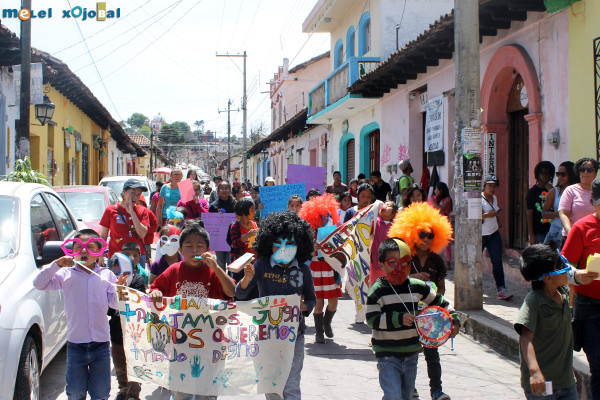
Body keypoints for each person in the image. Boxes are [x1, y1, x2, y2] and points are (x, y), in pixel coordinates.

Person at [33, 229, 127, 400]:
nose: (84, 251)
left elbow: (114, 305)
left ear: (99, 251)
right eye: (78, 247)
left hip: (101, 344)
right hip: (76, 344)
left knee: (101, 392)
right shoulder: (65, 274)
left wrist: (119, 291)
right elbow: (39, 284)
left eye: (89, 246)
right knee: (75, 392)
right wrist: (56, 264)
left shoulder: (107, 275)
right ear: (72, 251)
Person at [236, 211, 317, 400]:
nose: (284, 248)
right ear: (268, 243)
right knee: (272, 385)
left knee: (291, 385)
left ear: (299, 244)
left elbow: (312, 299)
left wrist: (303, 306)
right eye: (278, 243)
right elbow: (240, 294)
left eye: (290, 244)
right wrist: (246, 279)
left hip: (294, 336)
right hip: (266, 336)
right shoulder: (261, 265)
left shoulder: (304, 270)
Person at [149, 223, 235, 400]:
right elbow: (155, 289)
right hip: (180, 343)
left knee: (207, 391)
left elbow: (231, 292)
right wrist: (155, 292)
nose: (194, 249)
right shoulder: (174, 270)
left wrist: (217, 268)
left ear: (208, 249)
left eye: (199, 246)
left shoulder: (213, 272)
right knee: (182, 391)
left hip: (210, 342)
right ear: (180, 249)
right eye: (189, 246)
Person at [367, 238, 460, 400]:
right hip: (387, 355)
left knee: (406, 396)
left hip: (411, 354)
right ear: (382, 265)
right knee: (394, 396)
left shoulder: (417, 286)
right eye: (393, 262)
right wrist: (398, 319)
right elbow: (371, 319)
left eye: (405, 263)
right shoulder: (377, 290)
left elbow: (440, 302)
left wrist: (453, 318)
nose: (400, 268)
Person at [388, 202, 454, 400]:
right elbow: (393, 281)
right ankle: (411, 387)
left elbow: (441, 286)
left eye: (430, 235)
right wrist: (414, 277)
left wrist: (439, 304)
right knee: (409, 354)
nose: (426, 239)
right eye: (422, 234)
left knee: (432, 355)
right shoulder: (404, 258)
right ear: (412, 234)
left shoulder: (437, 261)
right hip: (408, 312)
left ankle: (437, 390)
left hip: (431, 314)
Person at [516, 244, 597, 400]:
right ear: (548, 278)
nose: (567, 268)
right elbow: (525, 338)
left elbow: (573, 278)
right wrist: (535, 372)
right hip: (541, 384)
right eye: (561, 265)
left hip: (566, 382)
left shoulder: (564, 292)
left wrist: (582, 275)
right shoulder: (534, 302)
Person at [562, 177, 600, 398]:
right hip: (589, 309)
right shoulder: (582, 227)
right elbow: (562, 269)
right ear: (593, 202)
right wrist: (578, 276)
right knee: (598, 368)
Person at [299, 194, 341, 343]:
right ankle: (319, 331)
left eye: (327, 215)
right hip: (316, 268)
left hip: (331, 267)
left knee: (333, 303)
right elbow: (303, 254)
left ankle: (327, 323)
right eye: (322, 216)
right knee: (319, 302)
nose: (325, 218)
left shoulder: (334, 231)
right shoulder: (308, 233)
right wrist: (312, 248)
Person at [107, 253, 146, 400]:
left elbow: (138, 302)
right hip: (117, 330)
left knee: (134, 362)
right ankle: (123, 387)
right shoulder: (108, 283)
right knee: (119, 363)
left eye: (125, 273)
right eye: (116, 273)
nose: (120, 277)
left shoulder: (138, 281)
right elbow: (109, 309)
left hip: (135, 331)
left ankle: (133, 393)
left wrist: (122, 291)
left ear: (133, 271)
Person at [99, 178, 150, 266]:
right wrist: (100, 255)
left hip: (136, 258)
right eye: (132, 193)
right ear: (123, 192)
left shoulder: (143, 211)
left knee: (137, 280)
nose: (135, 197)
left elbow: (142, 234)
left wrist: (132, 213)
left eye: (138, 194)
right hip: (116, 257)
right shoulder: (110, 210)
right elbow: (103, 235)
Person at [481, 175, 513, 300]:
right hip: (481, 234)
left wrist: (497, 220)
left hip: (493, 233)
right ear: (485, 186)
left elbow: (495, 210)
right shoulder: (479, 199)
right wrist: (488, 215)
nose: (492, 188)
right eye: (490, 185)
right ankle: (474, 286)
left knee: (497, 262)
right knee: (475, 262)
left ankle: (501, 289)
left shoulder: (494, 198)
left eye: (495, 186)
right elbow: (475, 215)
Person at [559, 157, 599, 239]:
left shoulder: (598, 191)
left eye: (589, 170)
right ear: (579, 173)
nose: (585, 172)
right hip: (574, 236)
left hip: (594, 236)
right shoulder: (570, 190)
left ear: (595, 173)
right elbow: (563, 214)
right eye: (582, 170)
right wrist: (570, 232)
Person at [228, 198, 259, 298]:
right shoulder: (235, 226)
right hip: (240, 266)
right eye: (252, 210)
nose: (255, 212)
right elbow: (235, 244)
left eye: (255, 209)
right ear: (244, 211)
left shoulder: (256, 224)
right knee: (240, 292)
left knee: (254, 292)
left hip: (254, 264)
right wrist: (247, 235)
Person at [542, 161, 577, 244]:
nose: (560, 177)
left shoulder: (578, 192)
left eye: (563, 174)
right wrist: (561, 214)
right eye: (558, 174)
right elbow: (544, 214)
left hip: (573, 232)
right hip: (556, 233)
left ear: (571, 174)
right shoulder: (554, 192)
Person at [369, 200, 398, 287]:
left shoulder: (396, 226)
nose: (384, 206)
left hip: (390, 265)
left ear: (394, 213)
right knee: (374, 288)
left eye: (388, 205)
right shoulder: (374, 221)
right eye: (383, 204)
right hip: (374, 263)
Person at [209, 180, 237, 270]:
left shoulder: (235, 205)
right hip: (219, 239)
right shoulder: (213, 206)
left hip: (232, 238)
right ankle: (221, 283)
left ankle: (232, 283)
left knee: (232, 263)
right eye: (222, 188)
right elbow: (210, 223)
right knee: (220, 264)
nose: (224, 191)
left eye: (226, 188)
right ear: (218, 191)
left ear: (230, 190)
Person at [526, 161, 555, 245]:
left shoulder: (554, 190)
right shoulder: (532, 192)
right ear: (538, 174)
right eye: (542, 173)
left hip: (553, 229)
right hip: (539, 231)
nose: (545, 175)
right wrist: (531, 235)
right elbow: (529, 213)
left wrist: (551, 191)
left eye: (547, 173)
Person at [429, 182, 453, 268]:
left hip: (445, 222)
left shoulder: (447, 199)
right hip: (437, 222)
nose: (435, 191)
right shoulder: (436, 199)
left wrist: (433, 202)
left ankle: (448, 262)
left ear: (441, 190)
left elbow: (440, 209)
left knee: (447, 243)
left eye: (437, 189)